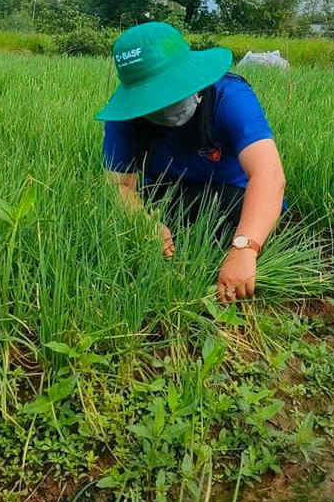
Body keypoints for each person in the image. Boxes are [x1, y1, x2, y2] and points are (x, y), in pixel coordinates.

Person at [96, 22, 285, 303]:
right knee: (114, 232)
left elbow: (268, 174)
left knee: (232, 220)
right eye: (153, 103)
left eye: (171, 94)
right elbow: (119, 185)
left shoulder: (229, 97)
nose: (165, 109)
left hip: (229, 199)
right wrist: (143, 222)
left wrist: (245, 247)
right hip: (165, 196)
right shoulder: (125, 115)